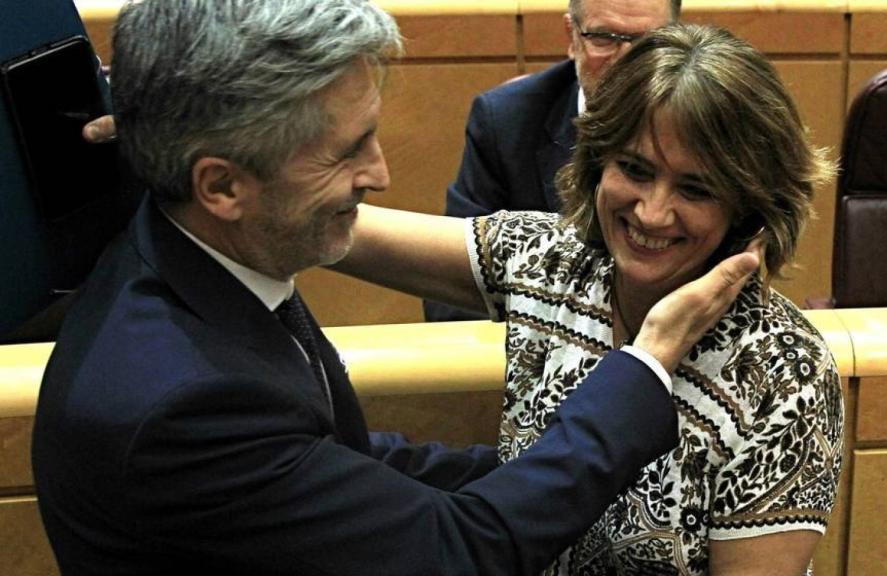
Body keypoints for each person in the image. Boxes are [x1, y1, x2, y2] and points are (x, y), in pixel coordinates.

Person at [33, 2, 760, 575]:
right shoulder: (179, 403)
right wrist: (648, 358)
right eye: (347, 152)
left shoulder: (200, 249)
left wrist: (538, 469)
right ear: (222, 184)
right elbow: (457, 553)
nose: (379, 174)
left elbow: (345, 462)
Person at [332, 23, 843, 575]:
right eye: (635, 170)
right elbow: (329, 226)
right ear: (599, 160)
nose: (651, 212)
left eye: (695, 190)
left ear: (748, 207)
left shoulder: (786, 368)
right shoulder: (551, 259)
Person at [425, 0, 681, 321]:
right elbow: (454, 290)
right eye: (604, 38)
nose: (626, 64)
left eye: (646, 43)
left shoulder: (712, 120)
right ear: (571, 36)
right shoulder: (507, 122)